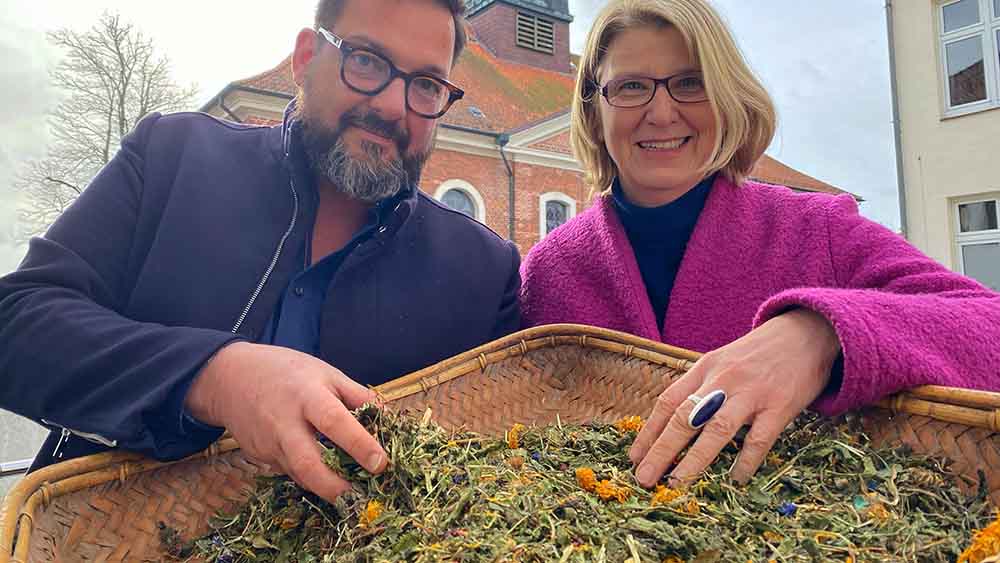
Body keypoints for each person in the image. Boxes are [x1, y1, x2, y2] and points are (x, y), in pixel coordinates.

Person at [0, 0, 521, 502]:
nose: (390, 105)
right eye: (365, 60)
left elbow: (507, 471)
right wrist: (214, 375)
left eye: (426, 84)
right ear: (305, 58)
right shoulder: (171, 157)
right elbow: (16, 325)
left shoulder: (483, 272)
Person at [519, 0, 1000, 491]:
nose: (661, 113)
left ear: (728, 97)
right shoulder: (551, 272)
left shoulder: (818, 229)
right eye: (631, 87)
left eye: (691, 83)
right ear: (593, 110)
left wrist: (820, 335)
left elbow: (990, 326)